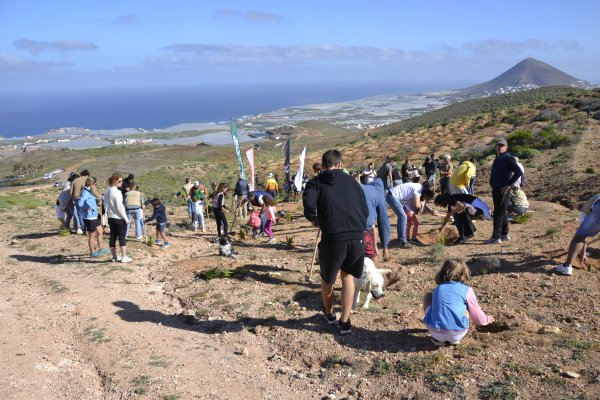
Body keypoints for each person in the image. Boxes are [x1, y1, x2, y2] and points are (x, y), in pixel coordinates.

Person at [303, 150, 368, 335]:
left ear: (323, 166)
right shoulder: (352, 182)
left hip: (333, 236)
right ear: (340, 164)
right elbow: (363, 207)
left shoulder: (315, 182)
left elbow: (308, 205)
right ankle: (345, 322)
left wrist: (314, 219)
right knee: (347, 276)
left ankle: (329, 313)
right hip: (357, 235)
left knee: (327, 279)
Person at [423, 259, 493, 346]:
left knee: (428, 296)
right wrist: (489, 319)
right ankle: (453, 339)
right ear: (464, 273)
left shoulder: (438, 288)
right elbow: (479, 320)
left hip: (435, 331)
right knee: (465, 307)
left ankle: (437, 339)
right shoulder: (467, 290)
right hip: (458, 333)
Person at [486, 137, 523, 244]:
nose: (500, 147)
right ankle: (505, 234)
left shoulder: (508, 158)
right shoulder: (497, 158)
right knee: (502, 211)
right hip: (496, 189)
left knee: (498, 212)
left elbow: (518, 172)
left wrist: (507, 185)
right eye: (499, 145)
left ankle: (496, 237)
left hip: (503, 190)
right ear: (496, 147)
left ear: (506, 147)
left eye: (503, 146)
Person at [554, 194, 600, 276]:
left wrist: (583, 255)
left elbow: (583, 238)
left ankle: (567, 266)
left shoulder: (583, 213)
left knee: (579, 237)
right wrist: (583, 254)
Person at [386, 181, 435, 247]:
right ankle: (403, 241)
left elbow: (419, 204)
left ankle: (401, 238)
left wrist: (428, 209)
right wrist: (423, 206)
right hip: (393, 196)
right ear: (427, 189)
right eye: (430, 190)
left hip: (392, 195)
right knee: (403, 217)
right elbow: (417, 205)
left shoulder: (418, 187)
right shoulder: (418, 189)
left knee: (402, 217)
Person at [361, 178, 390, 265]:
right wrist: (385, 246)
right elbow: (383, 222)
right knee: (372, 255)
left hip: (342, 227)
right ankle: (377, 276)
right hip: (363, 229)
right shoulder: (378, 194)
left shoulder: (362, 187)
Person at [103, 173, 132, 263]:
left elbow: (105, 204)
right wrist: (125, 218)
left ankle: (114, 256)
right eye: (120, 181)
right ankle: (124, 256)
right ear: (114, 181)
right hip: (119, 218)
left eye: (122, 181)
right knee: (122, 237)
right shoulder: (117, 192)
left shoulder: (107, 191)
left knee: (113, 237)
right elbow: (119, 206)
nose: (121, 182)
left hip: (111, 217)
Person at [78, 177, 110, 258]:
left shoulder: (89, 192)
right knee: (92, 236)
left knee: (100, 231)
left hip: (94, 216)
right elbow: (80, 204)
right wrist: (86, 208)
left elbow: (90, 200)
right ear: (91, 184)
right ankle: (92, 252)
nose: (96, 185)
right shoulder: (85, 193)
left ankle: (101, 249)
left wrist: (96, 201)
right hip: (89, 218)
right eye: (95, 184)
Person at [70, 169, 91, 235]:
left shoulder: (74, 180)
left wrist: (73, 199)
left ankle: (83, 229)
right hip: (85, 198)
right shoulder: (87, 180)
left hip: (76, 198)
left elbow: (71, 192)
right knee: (88, 213)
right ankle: (89, 228)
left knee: (80, 214)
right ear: (87, 175)